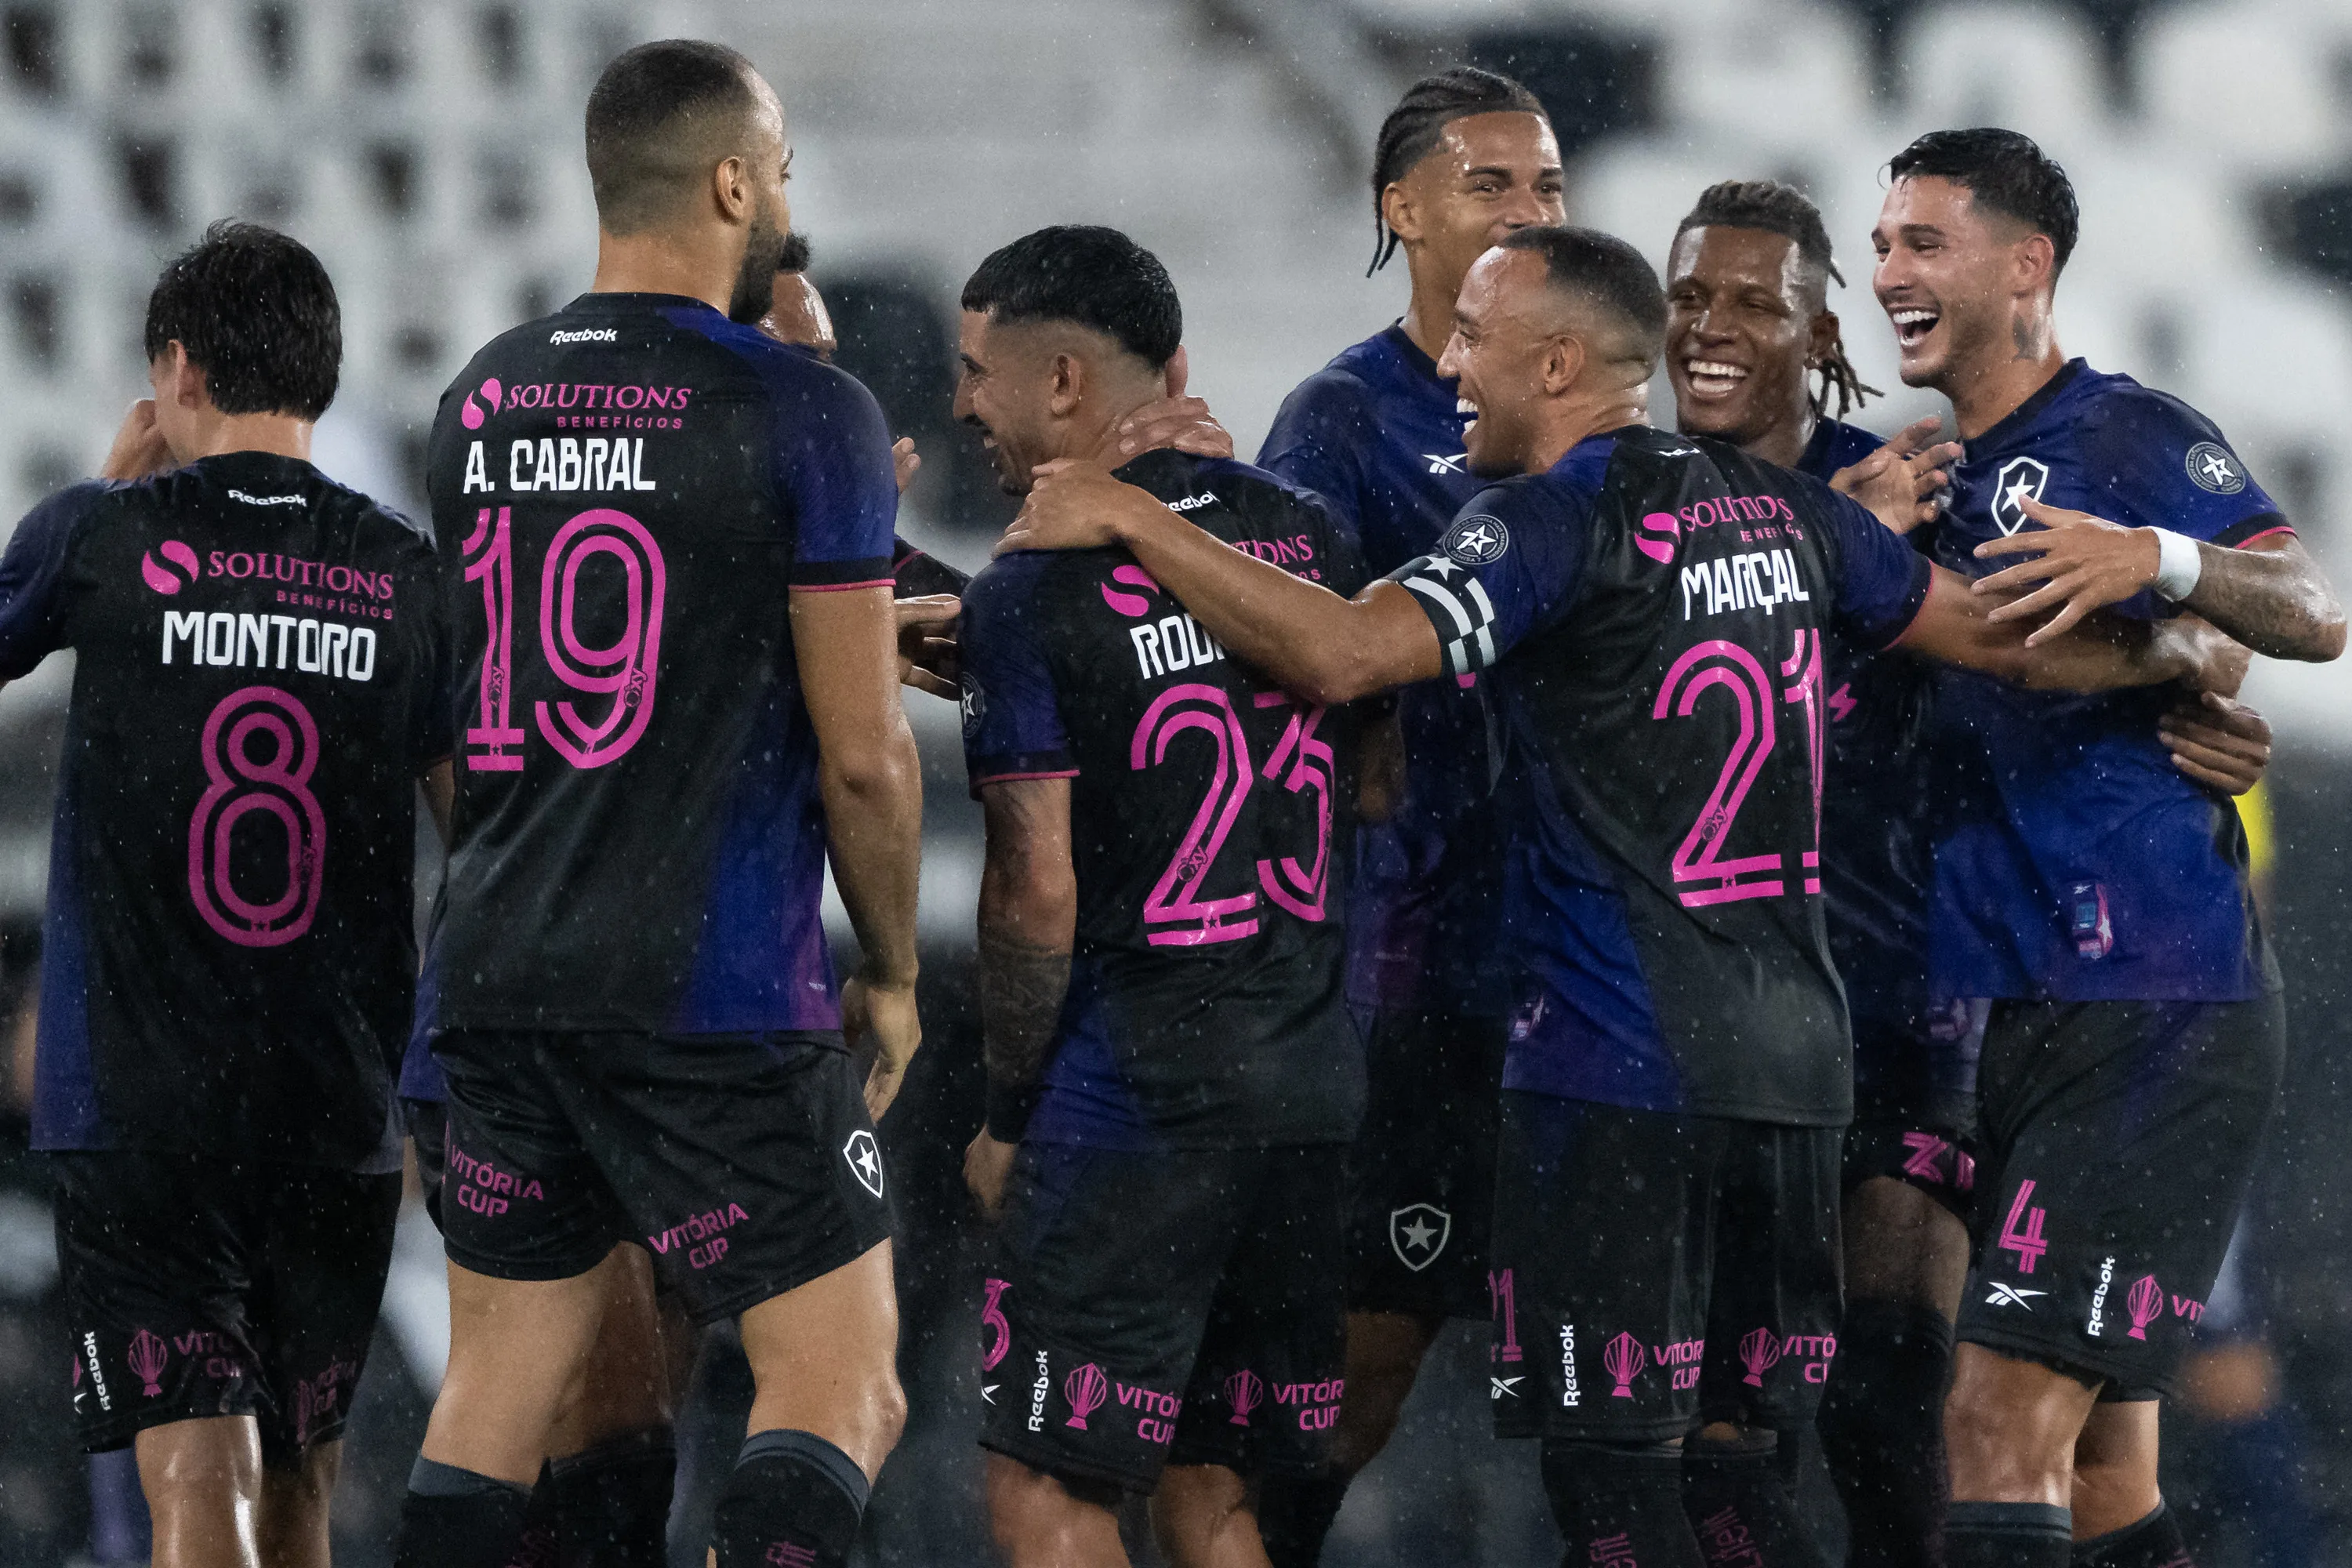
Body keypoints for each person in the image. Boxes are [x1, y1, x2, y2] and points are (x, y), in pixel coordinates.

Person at [997, 223, 2247, 1567]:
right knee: (1735, 1479)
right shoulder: (1789, 511)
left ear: (1554, 359)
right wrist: (2175, 654)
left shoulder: (1548, 522)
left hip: (1616, 1068)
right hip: (1794, 1080)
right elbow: (2004, 644)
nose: (1453, 371)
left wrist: (1125, 515)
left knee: (1611, 1487)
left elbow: (1350, 653)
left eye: (1473, 342)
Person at [1661, 176, 2279, 1568]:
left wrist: (2183, 641)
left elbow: (2235, 616)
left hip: (1929, 1005)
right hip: (1686, 1016)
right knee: (1736, 1438)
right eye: (1689, 301)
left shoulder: (1924, 480)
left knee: (1931, 1411)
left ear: (1818, 337)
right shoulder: (1642, 500)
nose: (1716, 329)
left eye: (1760, 302)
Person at [391, 41, 923, 1568]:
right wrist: (888, 967)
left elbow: (472, 715)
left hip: (493, 978)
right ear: (736, 182)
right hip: (710, 986)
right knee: (841, 1381)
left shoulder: (479, 404)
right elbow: (870, 756)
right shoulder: (799, 407)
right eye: (785, 177)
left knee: (497, 1406)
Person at [1861, 128, 2343, 1568]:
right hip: (2003, 1009)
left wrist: (2164, 562)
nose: (1890, 272)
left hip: (2144, 1005)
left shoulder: (2126, 437)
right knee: (2105, 1472)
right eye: (1881, 244)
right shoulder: (1921, 474)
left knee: (1995, 1433)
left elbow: (2314, 608)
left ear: (2029, 266)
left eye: (1924, 243)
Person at [0, 222, 450, 1568]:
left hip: (143, 1107)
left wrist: (99, 495)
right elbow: (478, 835)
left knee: (198, 1482)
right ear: (317, 375)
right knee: (304, 1488)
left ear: (178, 369)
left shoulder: (105, 538)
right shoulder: (409, 577)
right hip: (334, 1105)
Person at [952, 225, 1368, 1568]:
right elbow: (1377, 782)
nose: (963, 404)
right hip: (1307, 1087)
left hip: (1137, 1096)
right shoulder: (1302, 535)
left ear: (1065, 381)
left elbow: (1033, 892)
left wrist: (1011, 1108)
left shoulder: (1037, 583)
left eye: (978, 372)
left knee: (1047, 1485)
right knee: (1217, 1492)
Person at [1247, 68, 1564, 1563]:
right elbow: (1275, 646)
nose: (1529, 209)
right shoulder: (1342, 418)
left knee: (1641, 1407)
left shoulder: (1603, 418)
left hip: (1602, 972)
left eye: (1549, 186)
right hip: (1419, 966)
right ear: (1404, 209)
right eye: (1492, 184)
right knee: (1353, 1386)